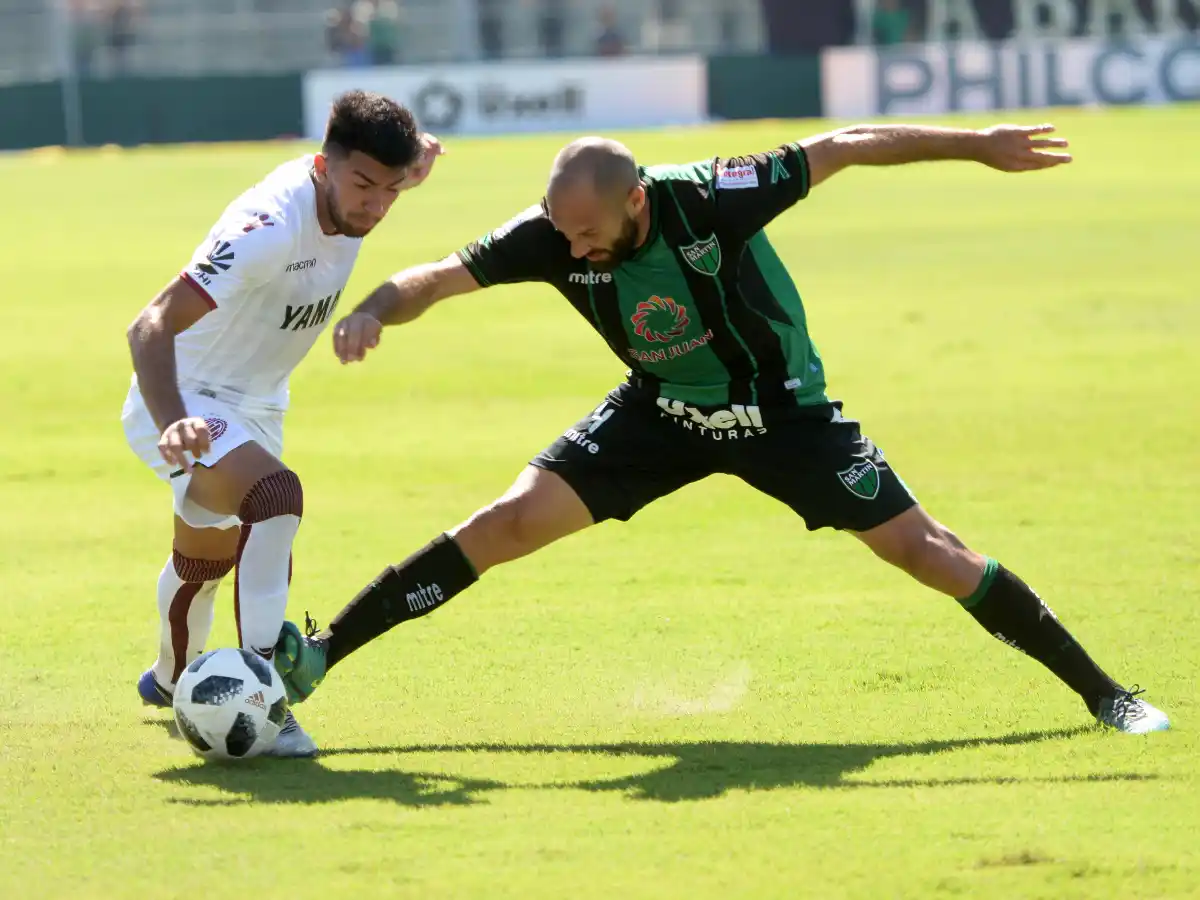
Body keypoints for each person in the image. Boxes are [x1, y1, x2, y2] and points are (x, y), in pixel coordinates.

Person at [274, 122, 1169, 736]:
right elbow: (435, 276)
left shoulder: (713, 196)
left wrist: (979, 147)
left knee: (928, 551)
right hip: (661, 409)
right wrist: (375, 313)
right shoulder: (553, 234)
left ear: (633, 202)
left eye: (589, 235)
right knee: (505, 523)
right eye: (564, 235)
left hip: (783, 414)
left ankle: (1107, 696)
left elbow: (846, 146)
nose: (575, 252)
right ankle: (318, 657)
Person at [121, 90, 443, 757]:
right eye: (362, 186)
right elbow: (149, 323)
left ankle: (169, 677)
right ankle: (269, 698)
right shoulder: (266, 227)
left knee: (208, 559)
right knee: (275, 499)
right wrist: (173, 421)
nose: (376, 206)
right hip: (188, 396)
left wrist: (417, 163)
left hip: (260, 403)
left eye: (392, 190)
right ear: (324, 167)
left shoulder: (372, 183)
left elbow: (393, 169)